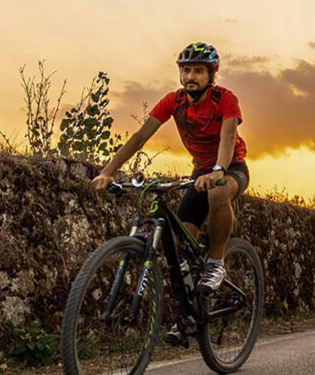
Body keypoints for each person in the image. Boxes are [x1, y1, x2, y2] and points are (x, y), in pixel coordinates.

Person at [91, 42, 249, 340]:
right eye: (186, 70)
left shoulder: (225, 99)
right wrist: (108, 171)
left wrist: (218, 170)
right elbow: (140, 136)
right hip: (200, 171)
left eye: (199, 71)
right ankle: (188, 313)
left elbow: (228, 137)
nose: (191, 76)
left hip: (230, 167)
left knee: (217, 193)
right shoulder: (174, 101)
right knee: (174, 244)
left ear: (212, 74)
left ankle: (216, 263)